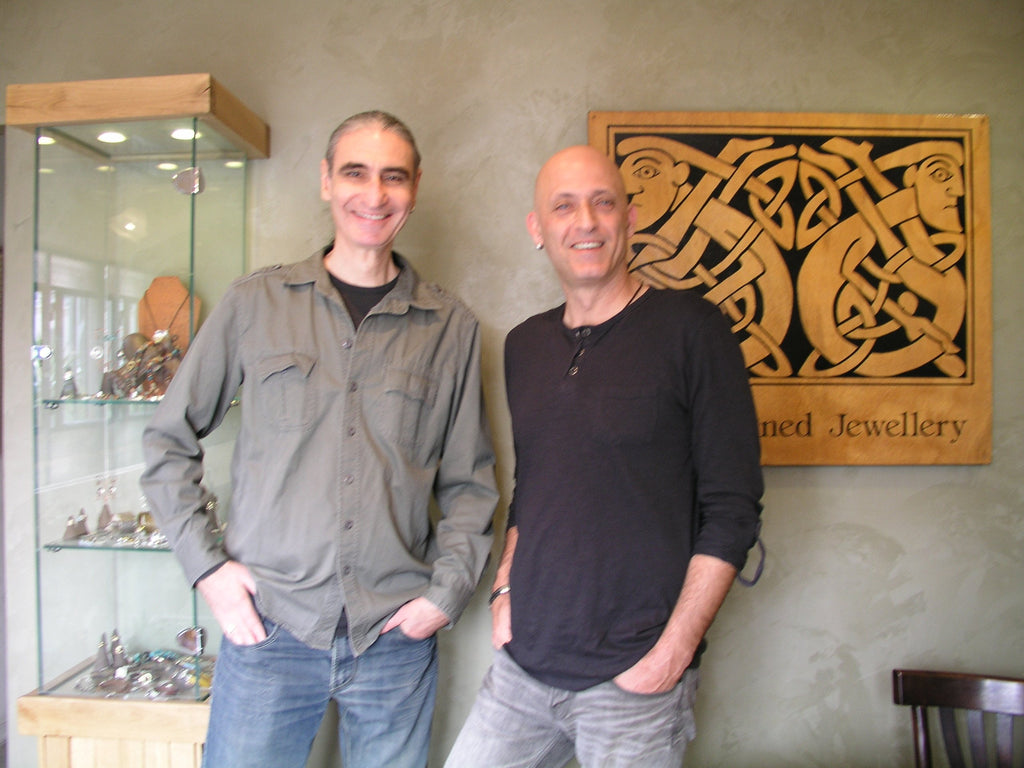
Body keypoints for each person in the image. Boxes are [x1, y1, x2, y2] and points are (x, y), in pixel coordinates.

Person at [141, 111, 499, 768]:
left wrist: (443, 596)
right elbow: (169, 440)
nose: (374, 194)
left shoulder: (450, 327)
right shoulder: (255, 303)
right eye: (355, 173)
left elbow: (470, 484)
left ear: (415, 187)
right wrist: (208, 571)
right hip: (269, 630)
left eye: (393, 177)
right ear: (326, 181)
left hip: (394, 640)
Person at [445, 145, 764, 768]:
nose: (585, 221)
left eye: (603, 203)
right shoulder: (525, 345)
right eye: (563, 206)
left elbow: (733, 510)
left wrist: (674, 652)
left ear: (630, 217)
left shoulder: (694, 329)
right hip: (524, 668)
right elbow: (535, 487)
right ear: (538, 228)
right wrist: (504, 591)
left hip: (635, 681)